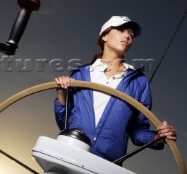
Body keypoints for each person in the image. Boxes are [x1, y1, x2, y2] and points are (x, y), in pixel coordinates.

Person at [54, 16, 177, 163]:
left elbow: (137, 131)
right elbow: (66, 124)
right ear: (104, 35)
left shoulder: (139, 82)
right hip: (69, 154)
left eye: (131, 35)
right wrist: (61, 95)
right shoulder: (79, 75)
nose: (127, 36)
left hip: (106, 164)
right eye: (121, 30)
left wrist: (157, 137)